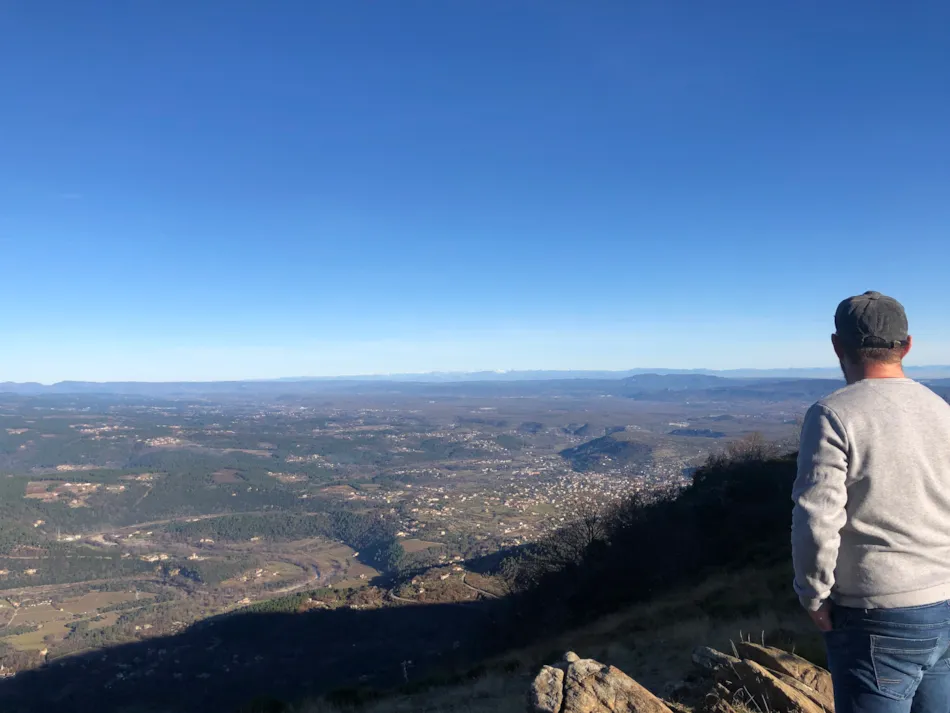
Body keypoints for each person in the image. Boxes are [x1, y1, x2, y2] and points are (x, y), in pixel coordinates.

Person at [792, 291, 950, 713]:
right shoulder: (940, 409)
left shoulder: (833, 414)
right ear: (908, 345)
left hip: (877, 611)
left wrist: (813, 593)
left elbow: (816, 516)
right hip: (945, 602)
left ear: (838, 346)